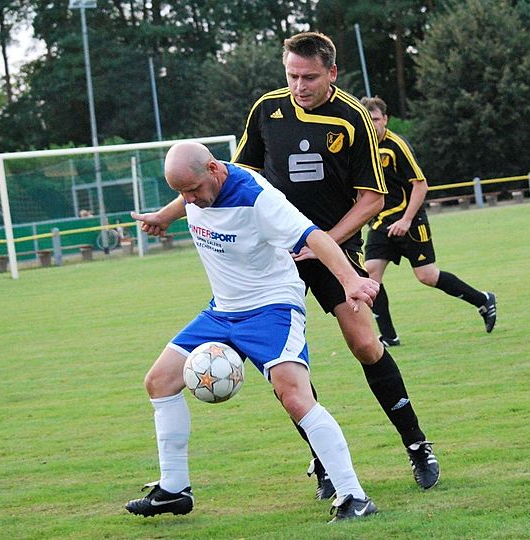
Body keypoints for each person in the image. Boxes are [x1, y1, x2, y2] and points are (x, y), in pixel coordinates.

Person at [123, 142, 379, 522]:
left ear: (213, 169)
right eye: (182, 193)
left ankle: (354, 496)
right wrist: (165, 215)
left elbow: (314, 236)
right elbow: (188, 197)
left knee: (293, 396)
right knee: (159, 382)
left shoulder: (258, 197)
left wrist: (349, 280)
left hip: (271, 308)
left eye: (193, 190)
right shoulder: (198, 188)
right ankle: (174, 489)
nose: (189, 200)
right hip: (222, 310)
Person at [234, 31, 440, 496]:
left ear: (332, 72)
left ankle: (417, 446)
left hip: (332, 252)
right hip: (275, 258)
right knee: (281, 365)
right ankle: (324, 463)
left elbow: (372, 198)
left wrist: (322, 241)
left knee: (366, 344)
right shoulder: (267, 109)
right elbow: (239, 174)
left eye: (309, 77)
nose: (299, 85)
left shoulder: (353, 118)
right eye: (291, 75)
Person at [359, 96, 497, 346]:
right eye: (367, 120)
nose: (372, 124)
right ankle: (389, 336)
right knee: (371, 274)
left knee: (427, 276)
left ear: (385, 120)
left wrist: (407, 220)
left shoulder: (396, 145)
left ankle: (483, 299)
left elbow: (420, 186)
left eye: (376, 119)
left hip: (409, 221)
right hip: (381, 223)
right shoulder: (361, 148)